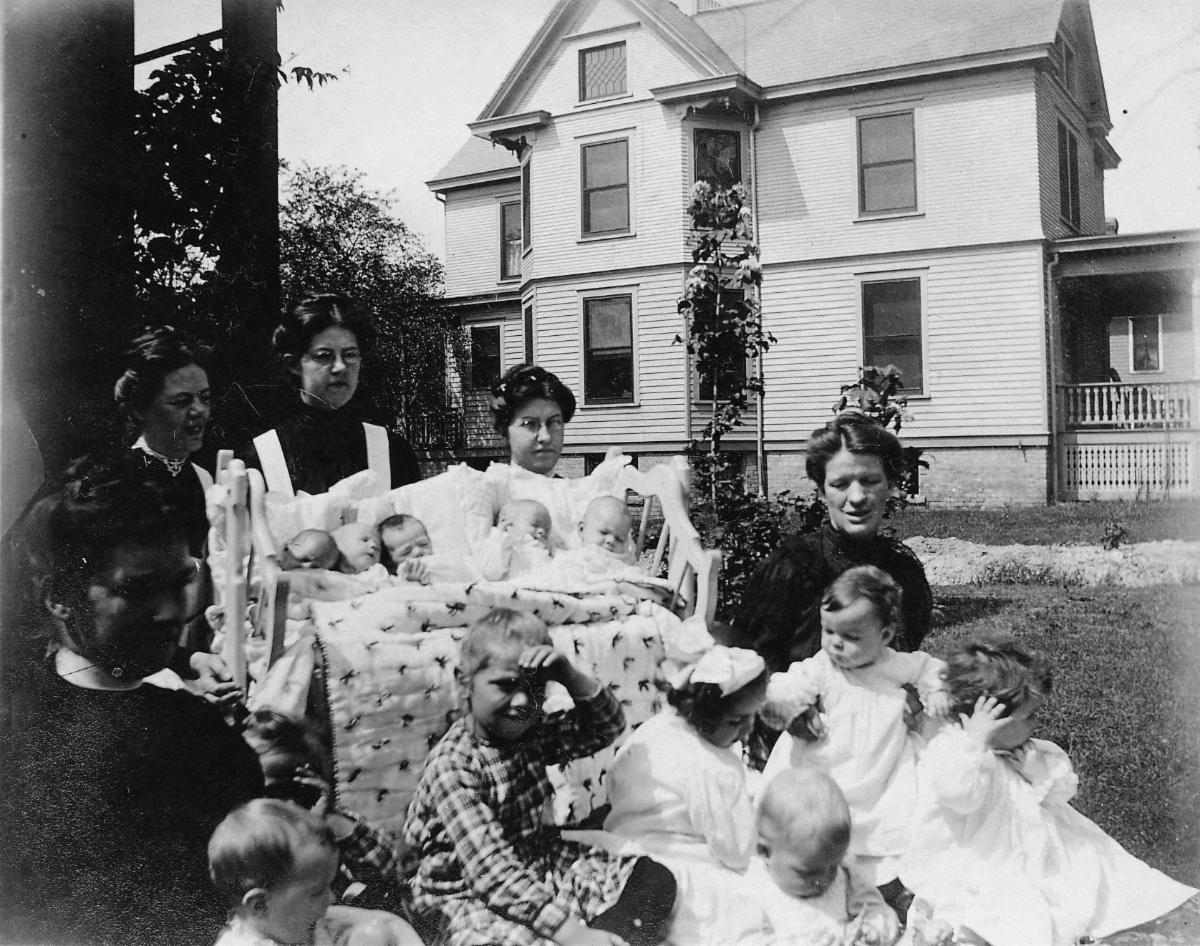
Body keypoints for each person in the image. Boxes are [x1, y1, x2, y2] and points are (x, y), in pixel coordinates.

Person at [0, 450, 264, 946]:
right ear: (61, 594)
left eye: (182, 582)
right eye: (140, 590)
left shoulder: (202, 733)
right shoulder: (15, 730)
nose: (172, 613)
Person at [402, 608, 676, 946]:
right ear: (464, 681)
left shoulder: (530, 734)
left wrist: (569, 676)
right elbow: (491, 871)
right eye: (505, 685)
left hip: (535, 864)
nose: (522, 701)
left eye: (536, 687)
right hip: (467, 891)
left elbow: (605, 728)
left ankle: (609, 937)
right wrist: (573, 933)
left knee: (654, 879)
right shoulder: (454, 765)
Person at [898, 639, 1197, 946]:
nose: (1036, 723)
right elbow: (960, 796)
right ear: (989, 719)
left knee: (1083, 882)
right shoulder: (952, 751)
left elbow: (1062, 791)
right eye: (1028, 717)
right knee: (1005, 909)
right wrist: (974, 743)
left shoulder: (1027, 751)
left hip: (1038, 847)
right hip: (980, 854)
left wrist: (1037, 772)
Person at [732, 412, 934, 765]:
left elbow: (898, 660)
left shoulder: (903, 573)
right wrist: (787, 713)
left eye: (870, 480)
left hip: (881, 743)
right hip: (800, 742)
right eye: (841, 484)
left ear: (890, 484)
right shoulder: (794, 567)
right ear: (822, 489)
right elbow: (749, 667)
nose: (857, 497)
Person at [760, 566, 949, 891]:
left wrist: (937, 690)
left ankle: (881, 883)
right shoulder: (823, 667)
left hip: (882, 765)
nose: (836, 644)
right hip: (829, 764)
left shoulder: (895, 664)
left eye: (851, 637)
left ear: (885, 635)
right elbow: (789, 684)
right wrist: (792, 708)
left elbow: (930, 668)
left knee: (892, 814)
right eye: (829, 631)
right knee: (817, 816)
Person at [599, 646, 769, 946]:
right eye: (736, 721)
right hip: (678, 862)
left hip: (623, 848)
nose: (747, 729)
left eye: (752, 716)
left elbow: (616, 780)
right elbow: (735, 848)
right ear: (703, 713)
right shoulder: (714, 766)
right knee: (756, 901)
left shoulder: (655, 730)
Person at [114, 325, 239, 701]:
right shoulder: (117, 485)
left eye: (204, 397)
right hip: (143, 667)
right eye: (181, 401)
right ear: (141, 408)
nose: (198, 411)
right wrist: (182, 662)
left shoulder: (203, 480)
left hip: (201, 655)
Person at [241, 293, 421, 497]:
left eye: (350, 355)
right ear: (294, 364)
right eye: (324, 356)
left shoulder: (392, 451)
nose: (340, 367)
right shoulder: (263, 456)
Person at [208, 798, 421, 946]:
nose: (332, 897)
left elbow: (385, 926)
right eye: (317, 891)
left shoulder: (295, 925)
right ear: (260, 905)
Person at [745, 768, 899, 946]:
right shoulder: (752, 890)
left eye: (834, 866)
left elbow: (878, 911)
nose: (824, 879)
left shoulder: (847, 877)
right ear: (764, 852)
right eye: (809, 873)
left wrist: (873, 931)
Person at [484, 363, 629, 551]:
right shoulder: (495, 490)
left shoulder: (582, 498)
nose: (545, 436)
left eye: (554, 423)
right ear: (505, 430)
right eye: (530, 424)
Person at [477, 498, 554, 581]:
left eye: (512, 521)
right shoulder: (510, 547)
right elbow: (490, 572)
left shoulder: (549, 553)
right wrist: (499, 537)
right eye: (503, 521)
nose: (504, 524)